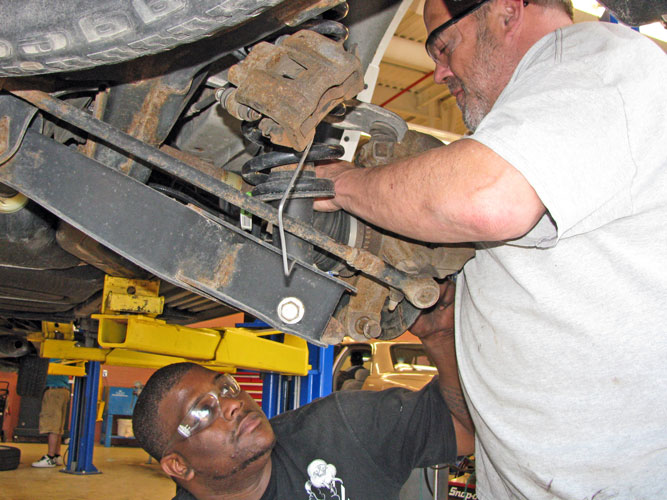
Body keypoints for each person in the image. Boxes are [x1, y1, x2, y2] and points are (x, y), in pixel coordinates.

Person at [314, 0, 667, 498]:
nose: (438, 72)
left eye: (443, 44)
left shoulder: (593, 57)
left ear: (505, 10)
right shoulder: (544, 128)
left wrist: (348, 185)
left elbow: (486, 198)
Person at [132, 287, 474, 500]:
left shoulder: (342, 430)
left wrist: (442, 336)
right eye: (203, 411)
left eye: (227, 387)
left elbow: (468, 431)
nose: (235, 403)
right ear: (178, 465)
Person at [31, 360, 70, 468]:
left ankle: (50, 457)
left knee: (51, 424)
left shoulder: (49, 353)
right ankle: (57, 455)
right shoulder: (62, 356)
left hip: (53, 391)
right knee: (58, 425)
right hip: (64, 391)